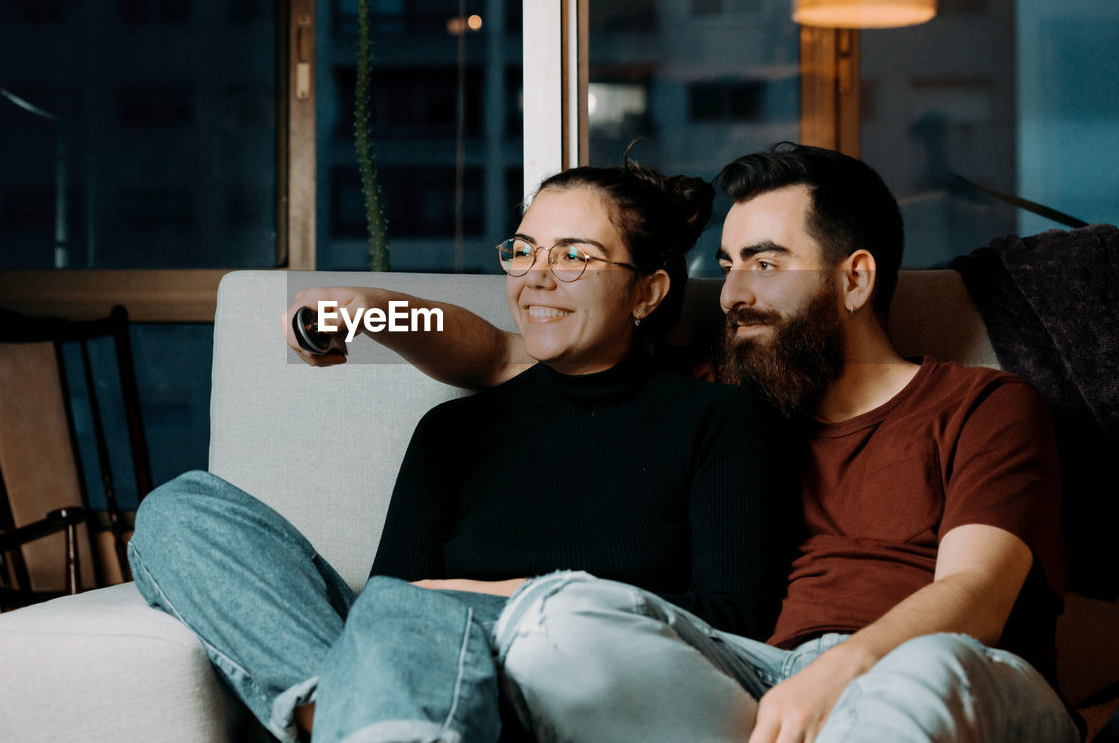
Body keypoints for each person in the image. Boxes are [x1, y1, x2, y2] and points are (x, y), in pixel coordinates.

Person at [288, 144, 1077, 742]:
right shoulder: (724, 392)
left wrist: (838, 670)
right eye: (728, 265)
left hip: (953, 671)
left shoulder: (982, 404)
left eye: (765, 265)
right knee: (561, 625)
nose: (733, 293)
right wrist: (363, 311)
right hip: (759, 671)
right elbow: (505, 347)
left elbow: (975, 596)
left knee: (923, 669)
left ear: (856, 278)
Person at [130, 162, 789, 743]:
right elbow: (389, 609)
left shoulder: (717, 419)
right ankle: (338, 707)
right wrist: (358, 312)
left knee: (405, 616)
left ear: (646, 292)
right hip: (423, 667)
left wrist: (499, 597)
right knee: (176, 513)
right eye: (524, 250)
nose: (536, 278)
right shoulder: (455, 428)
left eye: (572, 257)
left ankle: (356, 714)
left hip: (578, 678)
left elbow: (733, 617)